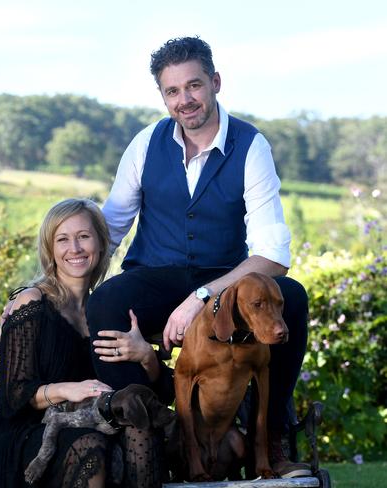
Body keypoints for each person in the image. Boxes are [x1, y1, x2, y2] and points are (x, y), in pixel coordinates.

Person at [85, 36, 311, 479]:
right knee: (105, 303)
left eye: (194, 86)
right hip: (154, 274)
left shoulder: (251, 146)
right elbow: (108, 230)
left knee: (293, 297)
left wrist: (203, 296)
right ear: (163, 96)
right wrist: (45, 285)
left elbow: (273, 255)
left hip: (221, 279)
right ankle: (130, 442)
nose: (184, 100)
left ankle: (273, 442)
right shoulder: (145, 144)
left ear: (215, 83)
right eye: (172, 91)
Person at [0, 198, 167, 488]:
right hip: (25, 437)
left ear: (101, 244)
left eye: (84, 237)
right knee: (89, 446)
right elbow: (14, 396)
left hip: (87, 426)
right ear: (50, 250)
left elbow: (161, 395)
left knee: (141, 430)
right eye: (62, 239)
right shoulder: (32, 302)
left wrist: (146, 357)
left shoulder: (107, 311)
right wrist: (69, 390)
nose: (74, 249)